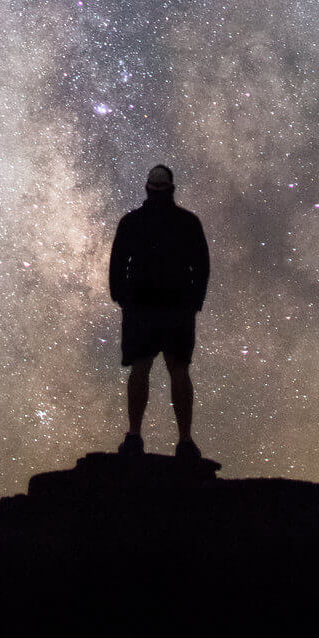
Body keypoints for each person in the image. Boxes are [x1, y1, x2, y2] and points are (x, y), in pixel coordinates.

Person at [108, 164, 210, 461]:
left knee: (140, 367)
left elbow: (117, 264)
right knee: (178, 369)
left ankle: (134, 435)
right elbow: (201, 266)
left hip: (141, 306)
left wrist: (122, 297)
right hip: (177, 306)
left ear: (147, 189)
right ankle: (186, 441)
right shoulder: (188, 223)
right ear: (172, 188)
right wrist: (194, 300)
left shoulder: (131, 222)